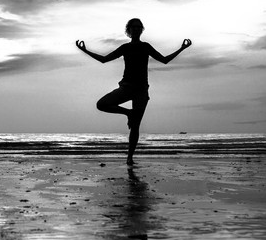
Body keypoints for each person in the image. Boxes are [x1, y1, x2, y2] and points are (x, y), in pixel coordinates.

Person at [76, 18, 192, 165]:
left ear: (141, 30)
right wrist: (84, 50)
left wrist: (182, 48)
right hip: (126, 87)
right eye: (133, 27)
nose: (136, 29)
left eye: (139, 27)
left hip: (141, 90)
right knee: (102, 104)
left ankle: (130, 157)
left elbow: (164, 60)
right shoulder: (125, 48)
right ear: (128, 30)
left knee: (135, 126)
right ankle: (128, 113)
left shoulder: (146, 46)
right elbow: (104, 59)